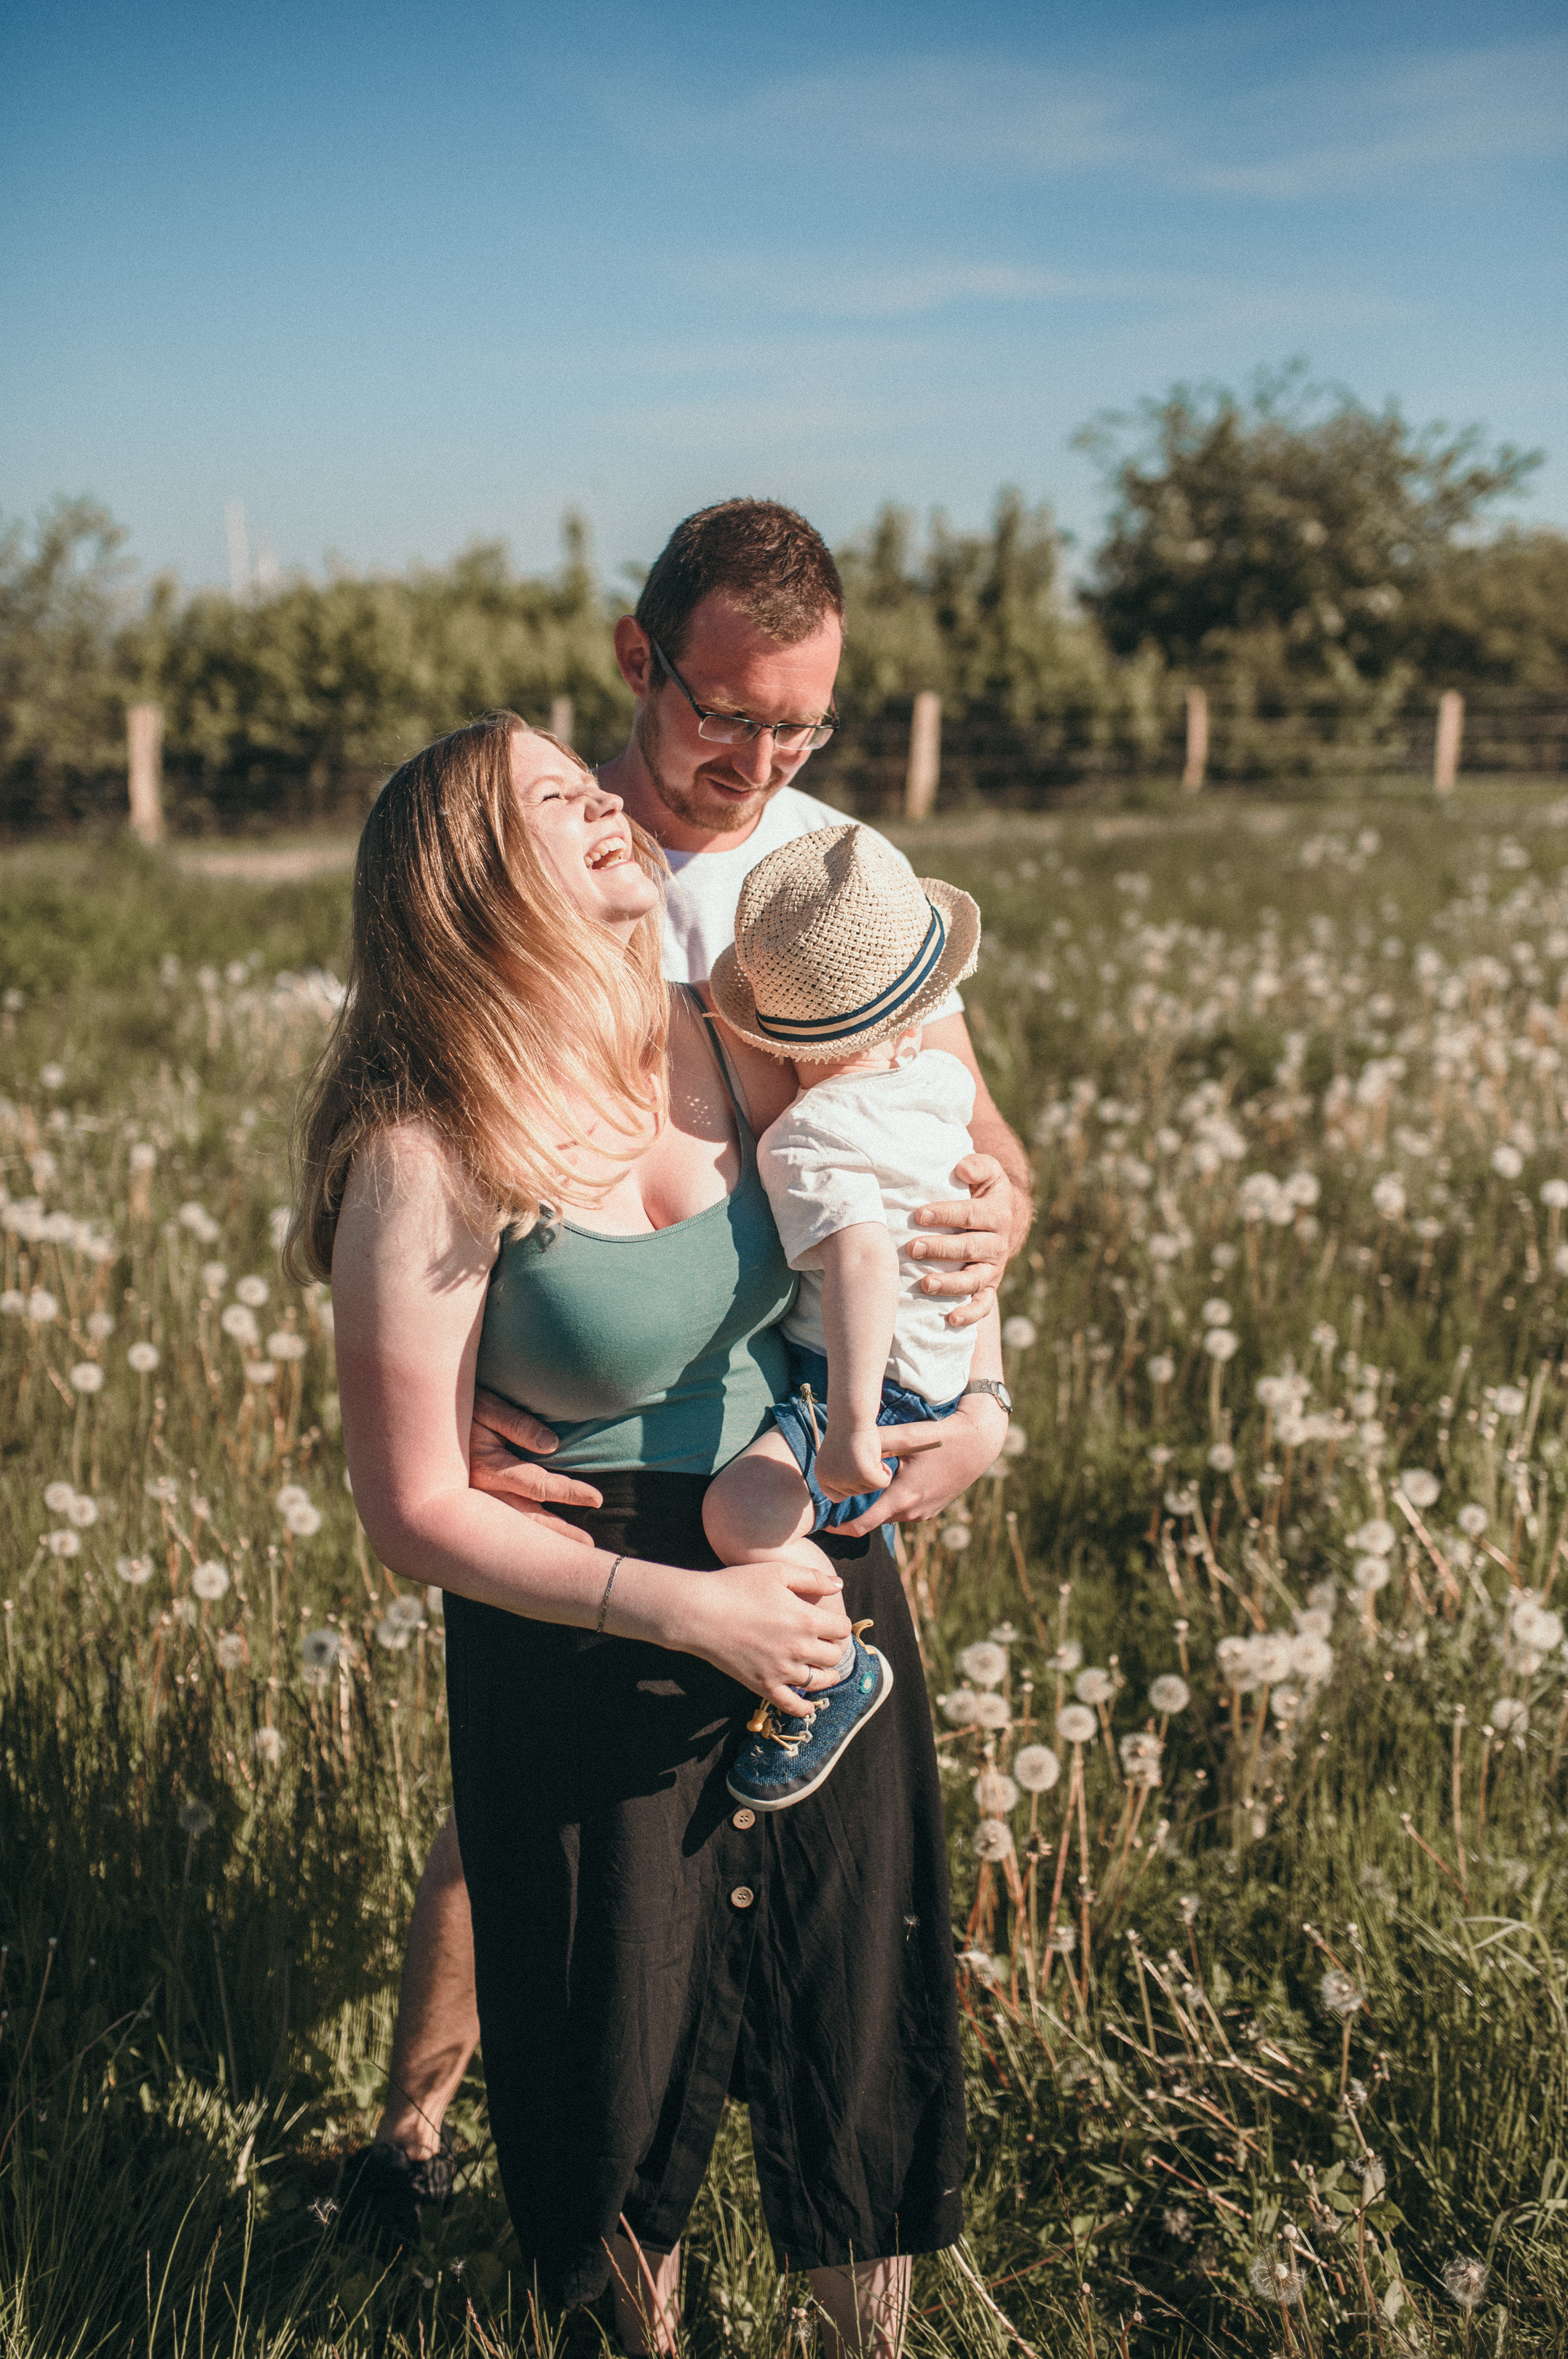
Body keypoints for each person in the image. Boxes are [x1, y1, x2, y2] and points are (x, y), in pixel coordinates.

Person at [349, 502, 1033, 2292]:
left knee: (801, 1893)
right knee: (516, 1872)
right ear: (638, 661)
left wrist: (995, 1225)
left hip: (770, 1455)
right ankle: (414, 2135)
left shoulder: (816, 865)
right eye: (726, 714)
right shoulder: (516, 845)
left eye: (799, 726)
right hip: (581, 1481)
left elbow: (962, 1136)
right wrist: (470, 1390)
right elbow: (401, 1160)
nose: (758, 760)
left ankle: (816, 2261)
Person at [701, 822, 991, 1813]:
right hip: (945, 1364)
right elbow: (967, 1188)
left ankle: (831, 1666)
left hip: (868, 1378)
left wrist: (854, 1424)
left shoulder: (807, 1137)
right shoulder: (938, 1084)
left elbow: (863, 1256)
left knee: (738, 1514)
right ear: (918, 1011)